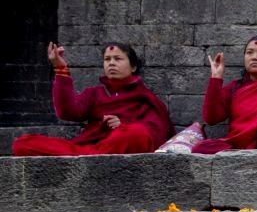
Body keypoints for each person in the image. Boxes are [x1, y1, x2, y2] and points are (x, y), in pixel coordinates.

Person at [12, 42, 173, 156]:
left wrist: (122, 126)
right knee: (22, 144)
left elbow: (156, 134)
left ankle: (84, 157)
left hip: (122, 143)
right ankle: (89, 156)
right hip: (89, 147)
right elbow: (68, 112)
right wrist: (60, 69)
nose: (111, 63)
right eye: (107, 59)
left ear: (133, 67)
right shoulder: (95, 93)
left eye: (118, 59)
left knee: (136, 133)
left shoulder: (145, 97)